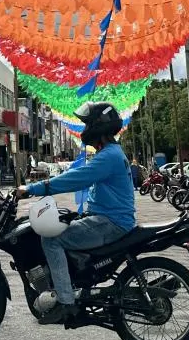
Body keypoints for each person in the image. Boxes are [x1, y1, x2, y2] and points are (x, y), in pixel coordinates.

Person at [16, 102, 135, 325]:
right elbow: (78, 176)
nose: (85, 129)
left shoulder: (108, 156)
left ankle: (66, 302)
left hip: (111, 222)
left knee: (51, 239)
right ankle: (72, 286)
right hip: (107, 218)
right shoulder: (110, 153)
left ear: (99, 127)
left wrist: (32, 189)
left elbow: (74, 179)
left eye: (88, 124)